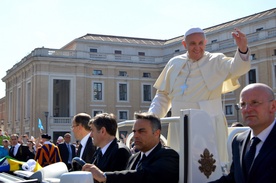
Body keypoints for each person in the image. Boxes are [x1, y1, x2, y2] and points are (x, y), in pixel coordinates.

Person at [148, 27, 251, 164]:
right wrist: (151, 119)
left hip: (208, 125)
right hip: (180, 125)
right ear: (184, 44)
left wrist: (242, 49)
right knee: (179, 166)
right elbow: (163, 96)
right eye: (192, 44)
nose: (197, 48)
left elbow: (238, 68)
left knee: (209, 167)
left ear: (205, 43)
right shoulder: (174, 63)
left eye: (200, 43)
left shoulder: (216, 60)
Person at [82, 112, 179, 183]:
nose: (135, 135)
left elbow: (145, 177)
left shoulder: (168, 155)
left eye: (141, 131)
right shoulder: (134, 158)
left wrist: (105, 176)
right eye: (134, 131)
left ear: (156, 133)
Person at [210, 83, 276, 183]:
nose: (247, 109)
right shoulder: (238, 141)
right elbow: (233, 179)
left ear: (273, 106)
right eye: (243, 104)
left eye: (255, 102)